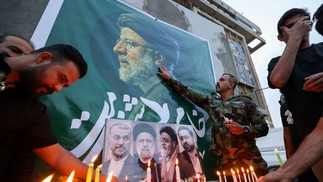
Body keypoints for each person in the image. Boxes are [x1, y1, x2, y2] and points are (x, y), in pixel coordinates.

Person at [0, 43, 119, 182]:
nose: (58, 88)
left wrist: (103, 178)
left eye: (64, 85)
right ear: (43, 58)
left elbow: (56, 156)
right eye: (61, 78)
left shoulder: (32, 111)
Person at [157, 69, 269, 181]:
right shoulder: (211, 103)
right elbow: (188, 92)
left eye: (222, 80)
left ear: (230, 84)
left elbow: (264, 128)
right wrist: (170, 79)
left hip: (250, 163)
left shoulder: (245, 102)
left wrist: (243, 130)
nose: (217, 82)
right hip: (226, 166)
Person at [258, 6, 323, 182]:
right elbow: (278, 79)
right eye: (293, 26)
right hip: (310, 144)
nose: (301, 28)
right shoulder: (277, 62)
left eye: (304, 22)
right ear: (281, 36)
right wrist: (294, 38)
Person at [112, 13, 205, 124]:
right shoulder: (152, 95)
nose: (117, 49)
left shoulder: (163, 98)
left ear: (158, 58)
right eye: (119, 42)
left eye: (129, 43)